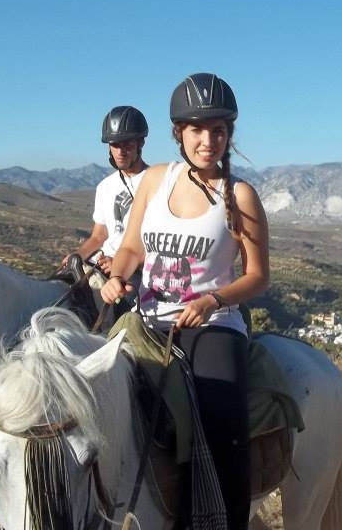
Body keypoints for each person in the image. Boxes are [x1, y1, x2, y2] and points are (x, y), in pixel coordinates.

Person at [102, 72, 269, 530]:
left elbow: (257, 276)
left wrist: (214, 299)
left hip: (212, 328)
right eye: (197, 130)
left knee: (221, 427)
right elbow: (132, 247)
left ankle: (228, 520)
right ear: (179, 134)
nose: (208, 140)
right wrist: (117, 276)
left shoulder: (239, 196)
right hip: (146, 319)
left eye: (218, 130)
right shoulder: (155, 180)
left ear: (229, 134)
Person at [60, 106, 149, 306]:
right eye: (114, 144)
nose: (120, 151)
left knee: (122, 314)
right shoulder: (105, 187)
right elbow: (99, 236)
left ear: (140, 142)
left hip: (136, 272)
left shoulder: (155, 183)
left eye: (126, 144)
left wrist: (121, 265)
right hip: (101, 264)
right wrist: (77, 256)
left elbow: (159, 243)